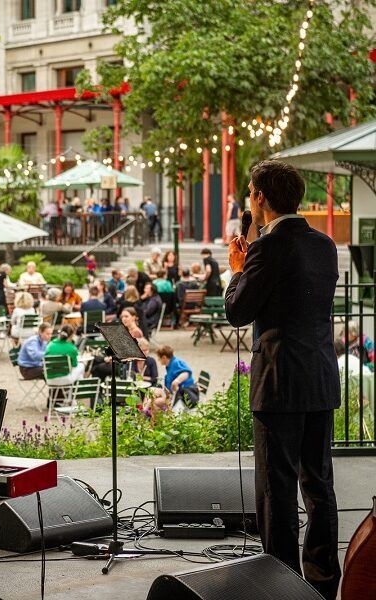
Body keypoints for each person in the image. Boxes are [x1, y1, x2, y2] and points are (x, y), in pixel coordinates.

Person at [225, 160, 341, 599]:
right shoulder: (324, 244)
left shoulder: (266, 249)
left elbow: (238, 312)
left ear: (259, 198)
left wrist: (238, 267)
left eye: (250, 193)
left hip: (278, 382)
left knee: (277, 491)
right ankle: (324, 582)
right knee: (319, 485)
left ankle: (282, 586)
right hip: (318, 379)